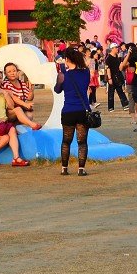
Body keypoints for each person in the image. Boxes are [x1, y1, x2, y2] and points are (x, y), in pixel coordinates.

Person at [54, 46, 92, 176]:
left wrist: (62, 68)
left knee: (66, 140)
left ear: (67, 59)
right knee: (82, 142)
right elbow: (85, 85)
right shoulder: (86, 73)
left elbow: (57, 90)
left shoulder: (63, 75)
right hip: (83, 110)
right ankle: (81, 169)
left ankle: (64, 168)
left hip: (68, 110)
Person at [2, 63, 42, 130]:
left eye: (14, 71)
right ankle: (32, 125)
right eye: (9, 72)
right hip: (9, 111)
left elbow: (29, 98)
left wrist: (31, 91)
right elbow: (13, 97)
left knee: (29, 115)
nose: (12, 73)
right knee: (18, 109)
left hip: (20, 109)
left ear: (17, 71)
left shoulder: (21, 83)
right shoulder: (5, 84)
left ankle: (13, 127)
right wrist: (25, 104)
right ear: (5, 74)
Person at [104, 44, 129, 113]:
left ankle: (125, 104)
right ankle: (111, 107)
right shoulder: (108, 58)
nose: (117, 49)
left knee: (120, 90)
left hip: (118, 76)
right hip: (112, 76)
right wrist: (109, 78)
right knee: (111, 92)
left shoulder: (117, 56)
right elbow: (108, 68)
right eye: (116, 47)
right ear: (112, 48)